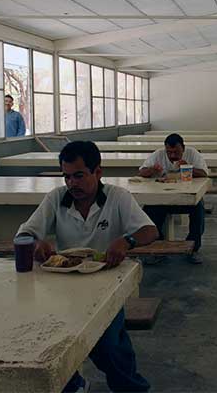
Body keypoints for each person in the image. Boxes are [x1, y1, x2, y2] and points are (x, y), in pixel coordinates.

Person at [16, 141, 158, 392]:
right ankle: (72, 384)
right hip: (61, 286)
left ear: (98, 172)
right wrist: (36, 243)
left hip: (107, 284)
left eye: (79, 175)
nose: (72, 183)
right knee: (47, 342)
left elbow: (149, 230)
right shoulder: (56, 198)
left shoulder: (117, 197)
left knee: (109, 345)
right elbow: (25, 233)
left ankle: (132, 388)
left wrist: (127, 241)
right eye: (67, 177)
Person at [139, 133, 208, 264]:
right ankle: (158, 247)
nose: (172, 156)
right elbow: (141, 172)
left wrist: (188, 168)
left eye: (176, 152)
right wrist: (152, 170)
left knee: (198, 208)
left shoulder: (192, 154)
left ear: (183, 148)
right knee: (148, 210)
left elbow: (204, 174)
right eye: (169, 152)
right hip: (162, 199)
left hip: (186, 198)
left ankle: (193, 248)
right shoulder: (158, 155)